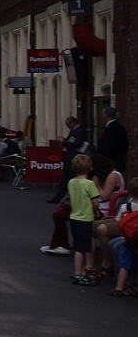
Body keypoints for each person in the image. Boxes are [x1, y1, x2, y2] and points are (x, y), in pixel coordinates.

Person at [66, 154, 101, 285]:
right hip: (85, 218)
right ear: (90, 167)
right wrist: (96, 210)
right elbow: (96, 202)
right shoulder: (89, 184)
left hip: (74, 216)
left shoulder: (71, 182)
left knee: (78, 245)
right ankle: (78, 274)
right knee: (82, 248)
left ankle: (81, 272)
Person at [51, 115, 92, 203]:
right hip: (69, 156)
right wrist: (64, 141)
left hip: (73, 156)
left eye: (68, 125)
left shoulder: (80, 131)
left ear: (73, 123)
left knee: (72, 177)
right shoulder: (74, 130)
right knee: (64, 178)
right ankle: (58, 197)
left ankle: (74, 196)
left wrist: (64, 141)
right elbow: (71, 142)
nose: (67, 127)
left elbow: (77, 144)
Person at [98, 105, 128, 174]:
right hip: (119, 162)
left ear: (106, 115)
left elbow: (108, 147)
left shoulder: (110, 129)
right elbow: (125, 145)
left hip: (110, 163)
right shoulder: (121, 128)